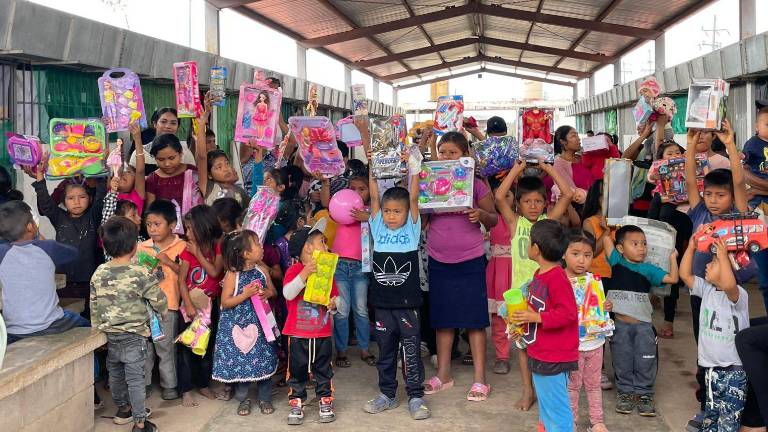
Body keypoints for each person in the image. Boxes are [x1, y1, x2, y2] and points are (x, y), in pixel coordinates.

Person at [421, 131, 498, 402]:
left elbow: (494, 220)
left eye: (453, 152)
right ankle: (443, 374)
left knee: (475, 321)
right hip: (439, 258)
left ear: (465, 155)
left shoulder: (476, 184)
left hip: (470, 258)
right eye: (443, 152)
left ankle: (480, 379)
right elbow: (423, 223)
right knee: (443, 321)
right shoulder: (431, 181)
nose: (447, 157)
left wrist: (482, 215)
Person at [684, 120, 750, 431]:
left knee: (733, 348)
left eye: (719, 195)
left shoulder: (738, 214)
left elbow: (739, 183)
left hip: (731, 293)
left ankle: (732, 403)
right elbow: (689, 181)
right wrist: (690, 143)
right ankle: (706, 405)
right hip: (702, 292)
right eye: (709, 194)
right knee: (705, 348)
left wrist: (731, 145)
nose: (712, 199)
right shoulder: (699, 213)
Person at [493, 159, 573, 409]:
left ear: (546, 202)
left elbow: (568, 194)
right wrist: (517, 169)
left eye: (538, 201)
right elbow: (498, 196)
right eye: (527, 201)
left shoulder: (548, 223)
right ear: (518, 203)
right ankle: (528, 391)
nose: (533, 206)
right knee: (523, 344)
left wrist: (548, 169)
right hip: (520, 295)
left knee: (545, 340)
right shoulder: (515, 222)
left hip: (545, 293)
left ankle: (546, 389)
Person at [362, 145, 430, 420]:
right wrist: (373, 164)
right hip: (383, 304)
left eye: (396, 211)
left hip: (408, 304)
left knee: (411, 351)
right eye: (388, 211)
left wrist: (413, 166)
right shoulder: (377, 225)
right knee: (386, 352)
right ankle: (387, 395)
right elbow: (375, 194)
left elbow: (413, 198)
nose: (390, 215)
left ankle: (416, 396)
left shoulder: (412, 228)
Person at [90, 217, 166, 432]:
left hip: (110, 335)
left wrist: (98, 332)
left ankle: (123, 410)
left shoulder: (99, 273)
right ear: (134, 246)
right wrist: (162, 313)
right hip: (135, 336)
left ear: (105, 245)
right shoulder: (140, 272)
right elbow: (158, 300)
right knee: (135, 379)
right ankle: (140, 422)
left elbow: (94, 305)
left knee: (115, 375)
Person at [603, 225, 679, 416]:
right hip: (620, 326)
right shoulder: (616, 262)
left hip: (643, 327)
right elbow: (606, 241)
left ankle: (645, 394)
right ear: (620, 248)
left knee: (646, 360)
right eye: (635, 243)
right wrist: (610, 229)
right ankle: (626, 393)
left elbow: (673, 278)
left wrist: (672, 258)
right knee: (622, 360)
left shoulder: (648, 269)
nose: (641, 248)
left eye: (644, 243)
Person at [510, 219, 578, 432]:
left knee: (557, 408)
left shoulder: (557, 278)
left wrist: (536, 318)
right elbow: (535, 308)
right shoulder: (539, 274)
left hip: (555, 355)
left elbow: (568, 313)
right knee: (547, 405)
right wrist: (519, 323)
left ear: (536, 249)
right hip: (539, 350)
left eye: (529, 242)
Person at [681, 236, 749, 432]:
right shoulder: (707, 290)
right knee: (711, 417)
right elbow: (685, 275)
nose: (708, 265)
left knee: (728, 422)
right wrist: (691, 248)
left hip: (733, 372)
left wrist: (723, 255)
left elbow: (728, 285)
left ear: (730, 267)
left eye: (714, 261)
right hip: (710, 370)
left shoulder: (739, 295)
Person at [212, 229, 279, 416]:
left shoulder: (262, 270)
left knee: (263, 359)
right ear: (246, 254)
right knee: (242, 361)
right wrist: (245, 295)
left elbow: (273, 291)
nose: (261, 246)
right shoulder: (233, 275)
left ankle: (265, 397)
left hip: (260, 325)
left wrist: (267, 292)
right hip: (238, 327)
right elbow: (225, 302)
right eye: (257, 243)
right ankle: (243, 399)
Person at [0, 201, 85, 343]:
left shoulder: (2, 253)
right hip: (51, 324)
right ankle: (96, 364)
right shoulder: (48, 248)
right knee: (84, 324)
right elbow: (74, 254)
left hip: (13, 331)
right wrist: (40, 238)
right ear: (29, 227)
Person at [282, 220, 338, 425]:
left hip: (322, 332)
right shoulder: (293, 270)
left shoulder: (326, 271)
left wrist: (334, 305)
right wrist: (304, 274)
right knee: (297, 369)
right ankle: (297, 401)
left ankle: (325, 399)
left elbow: (336, 299)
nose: (326, 246)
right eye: (322, 242)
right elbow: (288, 294)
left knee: (324, 368)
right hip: (297, 334)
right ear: (308, 248)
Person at [29, 158, 106, 302]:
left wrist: (100, 167)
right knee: (66, 311)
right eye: (71, 198)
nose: (77, 202)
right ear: (63, 202)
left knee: (88, 316)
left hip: (89, 279)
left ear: (89, 199)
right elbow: (46, 205)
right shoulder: (59, 218)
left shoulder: (93, 216)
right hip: (64, 280)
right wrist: (40, 178)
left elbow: (101, 196)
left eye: (82, 197)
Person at [320, 174, 375, 368]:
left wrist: (366, 217)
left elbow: (380, 222)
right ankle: (341, 350)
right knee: (342, 311)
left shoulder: (371, 212)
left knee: (361, 310)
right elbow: (327, 203)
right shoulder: (341, 209)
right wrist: (326, 182)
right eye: (353, 188)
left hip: (361, 267)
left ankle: (364, 348)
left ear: (370, 191)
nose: (357, 192)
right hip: (340, 265)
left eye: (362, 189)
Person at [137, 199, 187, 400]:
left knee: (166, 347)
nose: (152, 229)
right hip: (145, 306)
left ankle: (170, 385)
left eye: (157, 224)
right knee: (145, 347)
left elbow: (185, 273)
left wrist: (168, 263)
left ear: (172, 224)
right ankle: (145, 383)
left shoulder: (181, 246)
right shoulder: (142, 247)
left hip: (169, 305)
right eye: (148, 225)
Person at [564, 230, 612, 432]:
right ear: (563, 253)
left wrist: (606, 305)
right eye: (575, 254)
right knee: (572, 387)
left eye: (587, 255)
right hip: (571, 345)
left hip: (595, 342)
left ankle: (597, 422)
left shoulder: (595, 280)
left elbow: (600, 305)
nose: (582, 260)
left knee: (593, 385)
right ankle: (571, 421)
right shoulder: (559, 280)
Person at [177, 205, 225, 407]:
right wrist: (187, 304)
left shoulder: (217, 246)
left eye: (189, 228)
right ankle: (186, 389)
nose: (186, 233)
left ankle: (203, 384)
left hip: (210, 305)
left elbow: (214, 273)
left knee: (205, 346)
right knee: (186, 348)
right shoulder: (187, 250)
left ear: (204, 227)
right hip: (190, 306)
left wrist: (198, 254)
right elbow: (181, 280)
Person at [144, 134, 202, 234]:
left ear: (180, 154)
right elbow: (151, 213)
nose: (167, 164)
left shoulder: (191, 172)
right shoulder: (152, 179)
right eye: (161, 160)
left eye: (171, 158)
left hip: (195, 231)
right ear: (155, 158)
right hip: (166, 235)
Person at [646, 140, 686, 222]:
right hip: (659, 194)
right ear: (662, 156)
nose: (674, 155)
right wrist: (653, 177)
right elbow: (649, 177)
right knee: (652, 213)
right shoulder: (658, 164)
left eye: (677, 153)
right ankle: (651, 228)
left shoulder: (683, 164)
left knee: (664, 215)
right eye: (670, 154)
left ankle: (665, 231)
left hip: (673, 195)